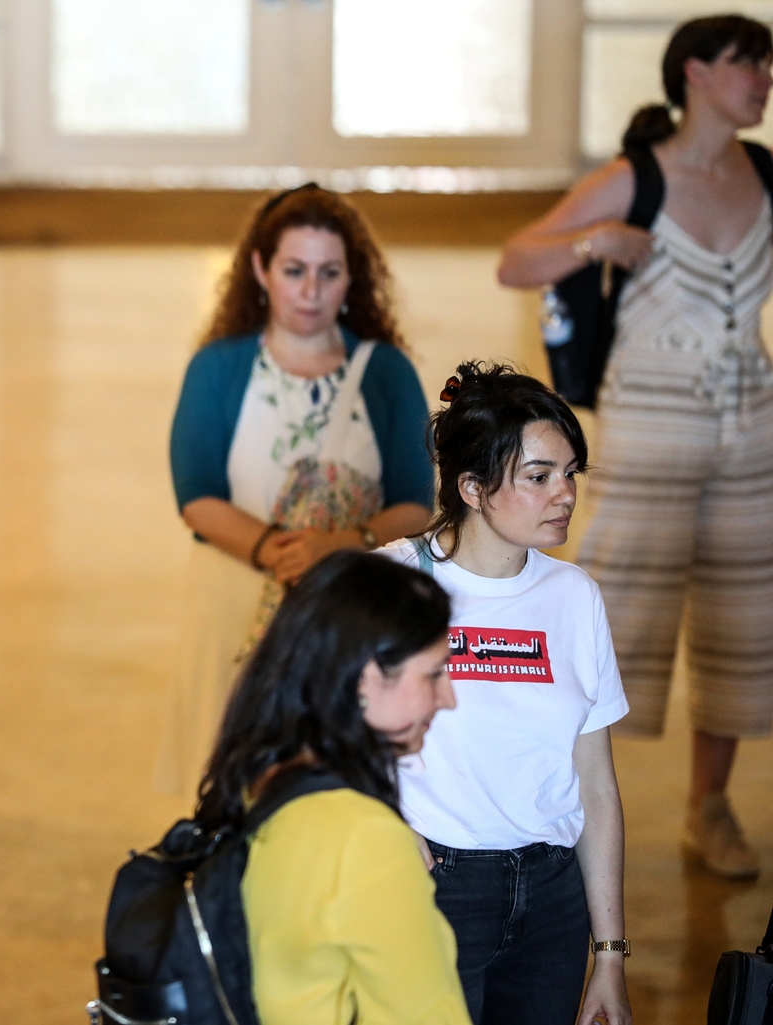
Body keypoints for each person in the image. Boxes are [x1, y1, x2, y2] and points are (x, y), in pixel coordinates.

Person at [498, 15, 773, 880]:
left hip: (753, 429)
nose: (764, 77)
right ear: (694, 72)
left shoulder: (764, 174)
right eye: (748, 62)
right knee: (606, 621)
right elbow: (516, 259)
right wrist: (592, 241)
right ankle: (558, 798)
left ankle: (709, 806)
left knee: (742, 624)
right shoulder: (636, 177)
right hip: (651, 428)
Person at [155, 184, 434, 795]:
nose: (311, 292)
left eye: (329, 273)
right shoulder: (219, 367)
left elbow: (417, 501)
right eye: (295, 270)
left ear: (352, 278)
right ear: (260, 269)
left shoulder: (385, 372)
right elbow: (196, 493)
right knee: (227, 782)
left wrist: (341, 544)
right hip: (231, 600)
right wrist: (279, 551)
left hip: (344, 611)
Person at [381, 364, 631, 1025]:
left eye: (571, 472)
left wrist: (608, 953)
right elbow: (310, 728)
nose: (566, 493)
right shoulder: (393, 581)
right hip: (436, 888)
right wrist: (382, 819)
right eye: (539, 476)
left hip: (553, 899)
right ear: (472, 487)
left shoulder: (575, 596)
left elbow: (597, 786)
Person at [196, 550, 467, 1025]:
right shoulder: (364, 836)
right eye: (433, 673)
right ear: (366, 677)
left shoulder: (258, 778)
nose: (449, 697)